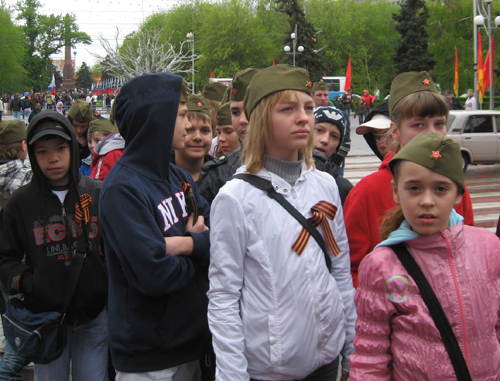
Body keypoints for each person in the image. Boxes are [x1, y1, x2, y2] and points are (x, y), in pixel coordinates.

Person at [208, 64, 356, 381]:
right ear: (261, 118)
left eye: (308, 107)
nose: (304, 117)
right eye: (287, 109)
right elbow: (223, 297)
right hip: (271, 369)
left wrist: (353, 349)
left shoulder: (325, 185)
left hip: (327, 361)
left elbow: (340, 269)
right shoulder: (235, 199)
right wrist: (232, 375)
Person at [349, 132, 500, 380]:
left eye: (441, 189)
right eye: (414, 188)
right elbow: (370, 355)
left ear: (459, 194)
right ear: (396, 192)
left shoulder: (489, 248)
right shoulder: (381, 265)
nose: (427, 201)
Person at [99, 73, 212, 380]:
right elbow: (154, 274)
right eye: (181, 116)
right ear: (154, 119)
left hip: (193, 343)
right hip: (149, 358)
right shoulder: (122, 189)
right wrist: (200, 253)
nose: (188, 125)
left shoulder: (179, 178)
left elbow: (220, 240)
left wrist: (186, 245)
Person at [0, 111, 108, 380]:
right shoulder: (20, 204)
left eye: (60, 148)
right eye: (42, 151)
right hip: (45, 320)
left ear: (72, 146)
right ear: (33, 155)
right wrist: (26, 282)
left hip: (94, 316)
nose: (53, 158)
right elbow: (5, 258)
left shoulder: (97, 192)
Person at [344, 72, 475, 288]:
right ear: (395, 131)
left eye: (439, 124)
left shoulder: (455, 186)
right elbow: (352, 268)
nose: (432, 134)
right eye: (419, 125)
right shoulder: (366, 192)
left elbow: (470, 250)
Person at [197, 68, 260, 204]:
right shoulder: (215, 175)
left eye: (250, 109)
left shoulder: (313, 166)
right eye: (235, 112)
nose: (243, 120)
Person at [312, 106, 353, 205]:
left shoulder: (343, 189)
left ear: (337, 148)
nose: (325, 140)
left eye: (334, 136)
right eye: (319, 130)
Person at [171, 94, 214, 182]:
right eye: (189, 130)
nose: (197, 137)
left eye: (205, 131)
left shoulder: (221, 175)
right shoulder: (160, 174)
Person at [67, 100, 94, 173]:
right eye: (75, 126)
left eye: (83, 126)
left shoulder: (95, 135)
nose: (79, 130)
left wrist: (86, 144)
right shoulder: (64, 133)